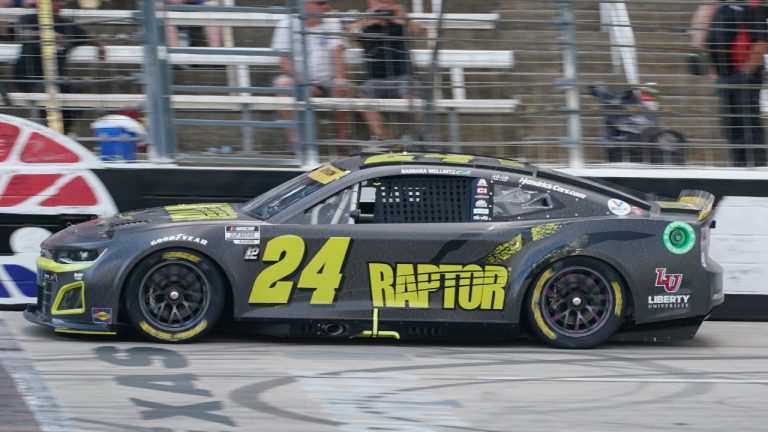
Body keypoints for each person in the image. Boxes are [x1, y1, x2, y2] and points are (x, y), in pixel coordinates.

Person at [691, 0, 768, 167]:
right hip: (725, 77)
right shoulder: (723, 7)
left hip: (745, 76)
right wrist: (714, 72)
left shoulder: (753, 6)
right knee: (730, 124)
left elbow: (762, 42)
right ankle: (737, 164)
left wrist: (745, 73)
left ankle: (755, 165)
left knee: (747, 123)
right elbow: (711, 38)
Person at [12, 0, 106, 132]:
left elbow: (86, 37)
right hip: (27, 77)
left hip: (54, 81)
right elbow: (21, 34)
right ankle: (44, 131)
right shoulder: (29, 18)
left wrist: (99, 45)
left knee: (78, 96)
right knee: (47, 93)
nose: (59, 4)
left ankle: (60, 133)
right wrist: (48, 34)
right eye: (54, 1)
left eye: (59, 2)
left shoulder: (67, 24)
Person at [271, 0, 351, 148]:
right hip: (299, 80)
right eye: (321, 3)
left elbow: (338, 53)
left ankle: (342, 144)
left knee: (342, 87)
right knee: (283, 85)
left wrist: (340, 78)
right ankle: (296, 143)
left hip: (327, 80)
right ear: (306, 5)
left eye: (327, 3)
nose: (327, 7)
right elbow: (284, 61)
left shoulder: (332, 22)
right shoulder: (286, 24)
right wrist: (304, 82)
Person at [348, 0, 425, 140]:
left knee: (412, 97)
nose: (382, 7)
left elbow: (420, 31)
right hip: (375, 81)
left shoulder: (400, 23)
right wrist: (367, 20)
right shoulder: (367, 25)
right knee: (362, 97)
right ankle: (384, 139)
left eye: (386, 3)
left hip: (404, 77)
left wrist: (403, 17)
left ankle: (419, 137)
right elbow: (350, 33)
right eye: (378, 3)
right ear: (370, 5)